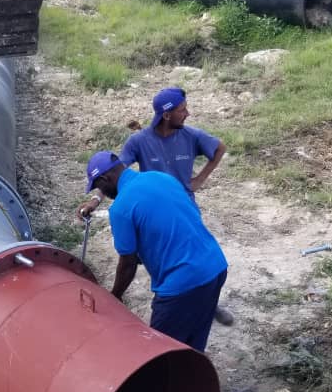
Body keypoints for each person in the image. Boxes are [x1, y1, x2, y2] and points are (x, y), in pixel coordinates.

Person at [78, 87, 233, 325]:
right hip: (147, 211)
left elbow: (219, 148)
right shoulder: (139, 141)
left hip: (183, 206)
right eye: (182, 110)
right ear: (167, 115)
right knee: (160, 255)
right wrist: (96, 199)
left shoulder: (191, 136)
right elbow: (114, 172)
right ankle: (175, 292)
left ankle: (207, 302)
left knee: (189, 251)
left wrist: (200, 179)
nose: (188, 114)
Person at [85, 150, 227, 353]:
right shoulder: (161, 177)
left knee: (159, 352)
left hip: (182, 285)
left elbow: (128, 264)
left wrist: (115, 296)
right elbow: (186, 216)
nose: (103, 193)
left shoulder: (120, 209)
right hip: (215, 267)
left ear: (105, 178)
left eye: (99, 187)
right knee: (194, 342)